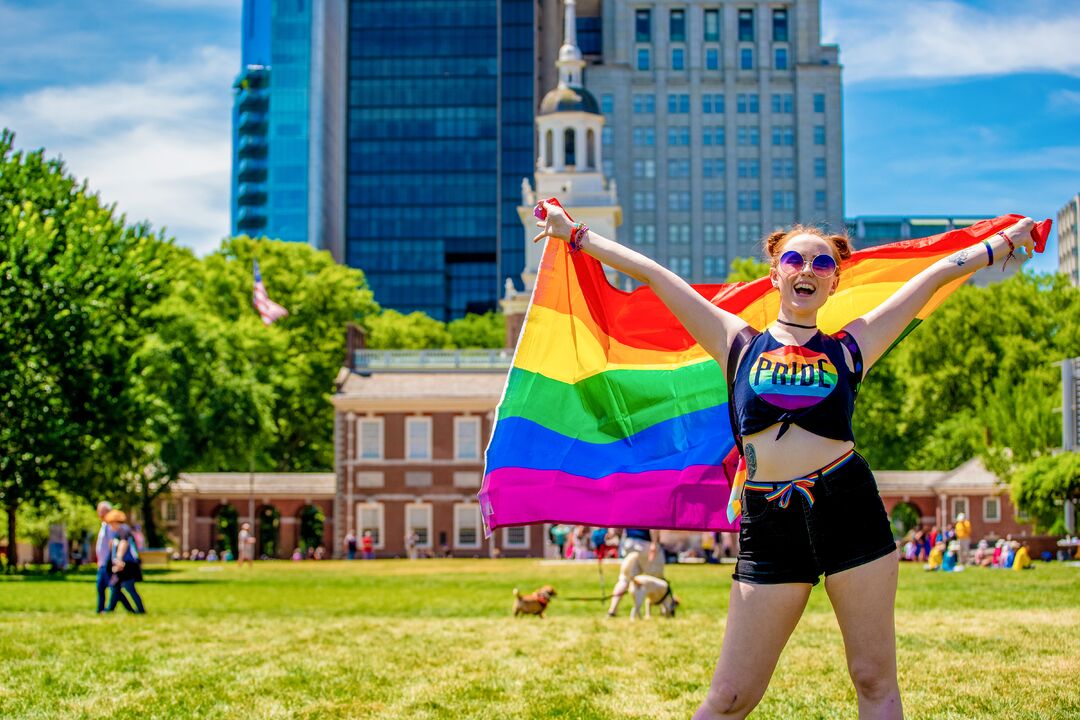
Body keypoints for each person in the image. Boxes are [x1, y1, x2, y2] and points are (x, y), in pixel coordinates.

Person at [533, 200, 1038, 718]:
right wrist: (575, 236)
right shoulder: (736, 342)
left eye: (823, 265)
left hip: (849, 508)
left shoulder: (850, 347)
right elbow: (656, 276)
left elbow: (932, 277)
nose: (808, 271)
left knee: (873, 679)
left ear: (834, 283)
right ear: (776, 273)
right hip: (770, 524)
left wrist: (1000, 243)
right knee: (730, 697)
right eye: (796, 260)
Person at [104, 510, 145, 614]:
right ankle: (117, 609)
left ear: (114, 521)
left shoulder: (123, 530)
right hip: (124, 564)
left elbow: (123, 543)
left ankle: (140, 610)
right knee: (115, 587)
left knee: (129, 588)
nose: (110, 526)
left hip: (127, 565)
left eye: (110, 523)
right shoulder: (120, 531)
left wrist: (118, 560)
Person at [94, 501, 115, 614]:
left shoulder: (110, 527)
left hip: (107, 563)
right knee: (100, 587)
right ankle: (100, 609)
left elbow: (112, 543)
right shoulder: (103, 526)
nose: (100, 514)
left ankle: (109, 609)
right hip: (101, 563)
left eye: (102, 511)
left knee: (113, 588)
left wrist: (111, 560)